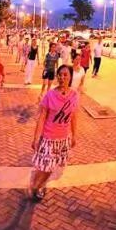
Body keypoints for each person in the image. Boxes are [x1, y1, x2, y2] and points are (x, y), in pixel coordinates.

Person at [29, 65, 79, 202]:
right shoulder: (50, 95)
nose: (62, 78)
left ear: (70, 77)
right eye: (60, 75)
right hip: (49, 137)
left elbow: (74, 116)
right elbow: (41, 118)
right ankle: (35, 186)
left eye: (65, 75)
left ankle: (38, 184)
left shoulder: (74, 95)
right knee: (46, 167)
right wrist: (36, 138)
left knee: (51, 167)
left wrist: (74, 135)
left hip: (63, 139)